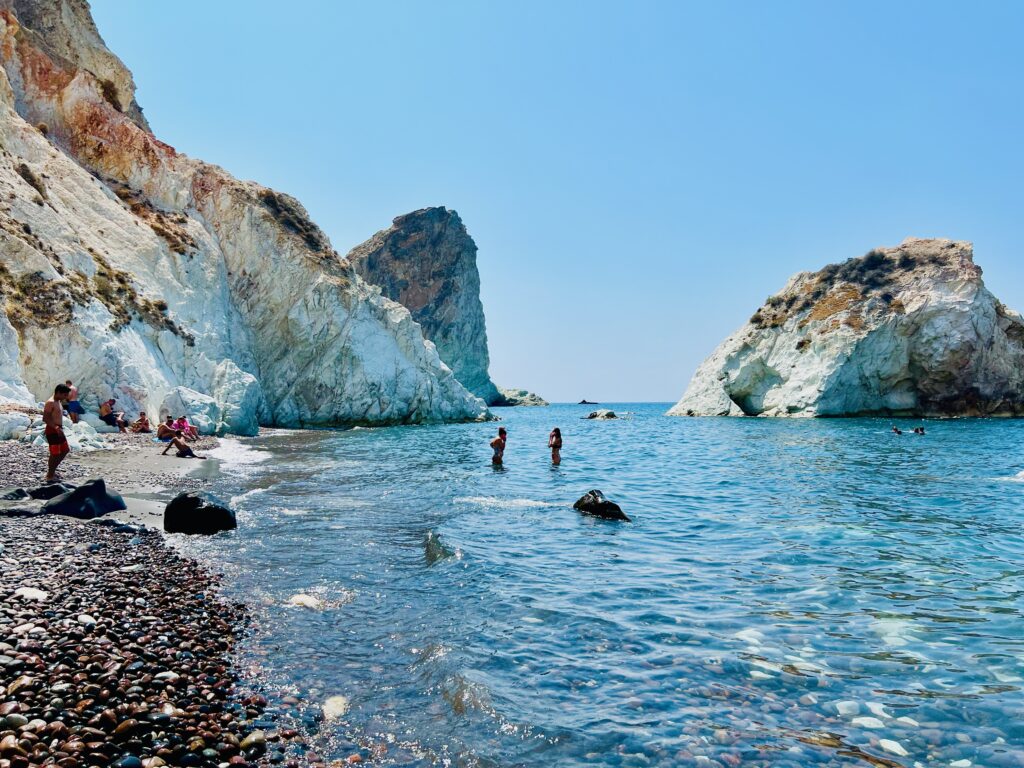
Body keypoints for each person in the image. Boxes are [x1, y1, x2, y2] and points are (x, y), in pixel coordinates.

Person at [43, 383, 72, 481]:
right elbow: (45, 418)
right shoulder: (50, 402)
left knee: (65, 450)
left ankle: (52, 471)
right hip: (53, 429)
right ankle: (50, 475)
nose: (66, 397)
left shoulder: (57, 401)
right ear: (58, 392)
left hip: (58, 429)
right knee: (54, 453)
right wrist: (56, 427)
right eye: (64, 395)